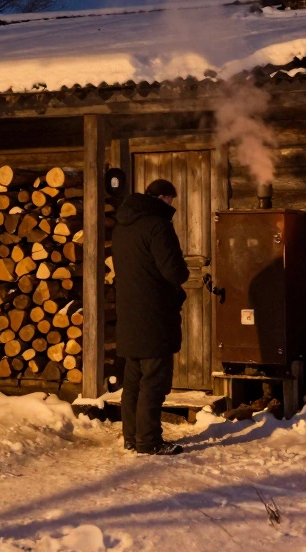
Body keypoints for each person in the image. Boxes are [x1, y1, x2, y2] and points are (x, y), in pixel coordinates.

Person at [114, 178, 190, 455]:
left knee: (133, 380)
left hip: (128, 313)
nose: (172, 205)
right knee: (154, 380)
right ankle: (149, 441)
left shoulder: (122, 227)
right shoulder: (158, 226)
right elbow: (174, 271)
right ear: (162, 198)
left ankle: (131, 437)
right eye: (171, 200)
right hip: (155, 314)